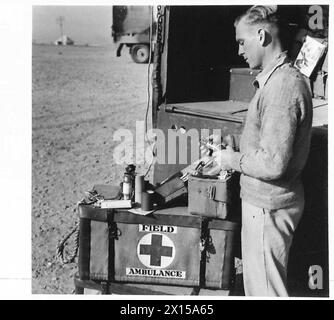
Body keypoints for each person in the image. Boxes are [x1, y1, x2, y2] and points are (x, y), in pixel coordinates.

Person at [207, 5, 313, 296]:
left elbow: (274, 164)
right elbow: (271, 146)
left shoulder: (281, 87)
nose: (239, 50)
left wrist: (231, 159)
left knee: (266, 291)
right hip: (267, 203)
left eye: (242, 41)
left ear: (262, 36)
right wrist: (238, 148)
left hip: (268, 206)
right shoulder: (279, 80)